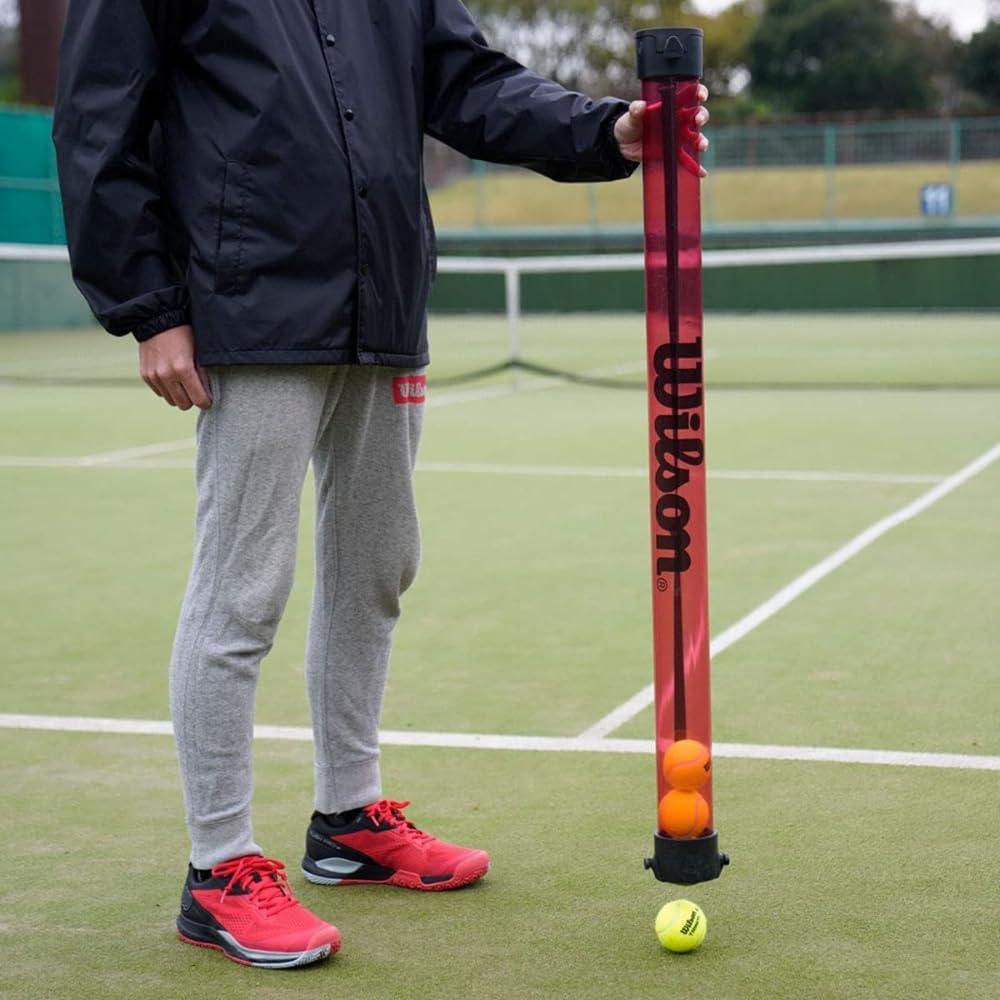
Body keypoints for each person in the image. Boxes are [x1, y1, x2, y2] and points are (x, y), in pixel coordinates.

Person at [53, 0, 709, 970]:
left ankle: (347, 819)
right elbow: (98, 115)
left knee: (377, 565)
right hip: (250, 304)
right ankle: (218, 867)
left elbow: (466, 81)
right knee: (244, 585)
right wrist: (147, 304)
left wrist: (601, 131)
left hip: (382, 299)